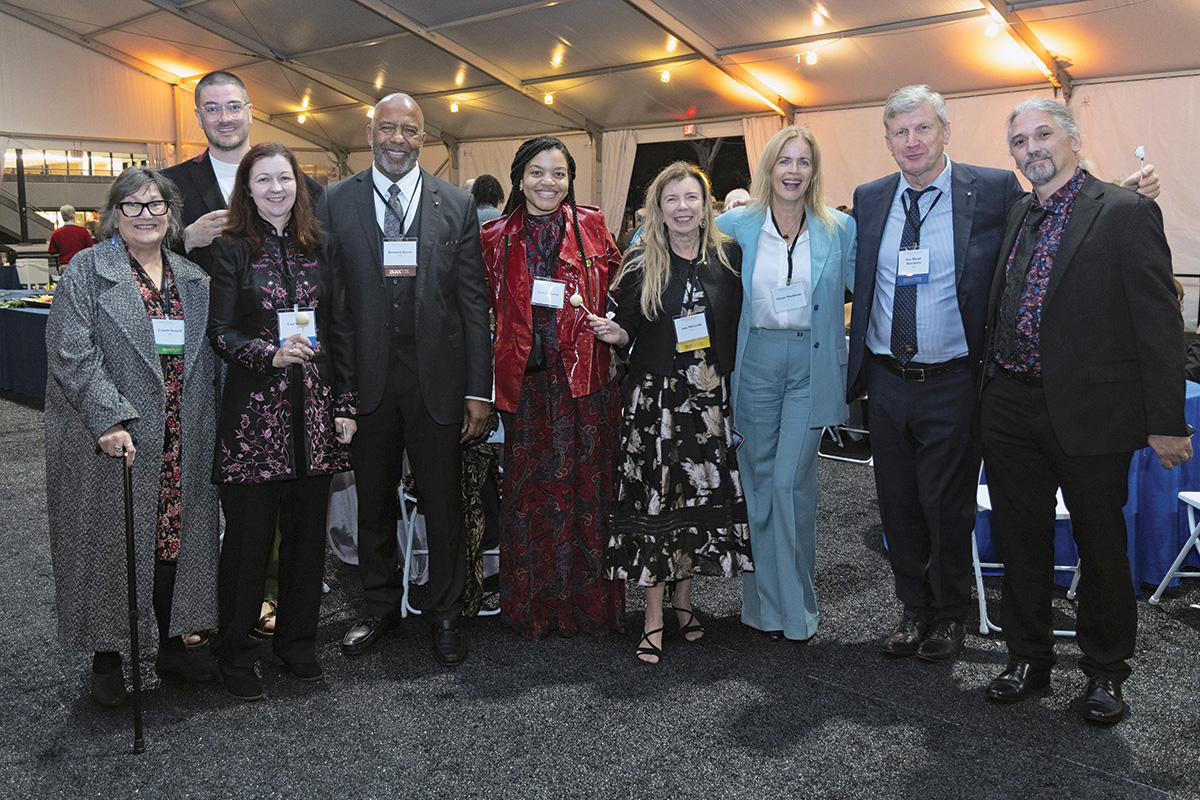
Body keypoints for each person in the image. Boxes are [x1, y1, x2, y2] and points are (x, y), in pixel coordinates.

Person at [846, 85, 1161, 663]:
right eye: (900, 132)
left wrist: (1124, 185)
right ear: (887, 141)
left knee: (949, 507)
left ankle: (951, 616)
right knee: (900, 505)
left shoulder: (991, 188)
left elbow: (1071, 209)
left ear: (946, 131)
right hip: (889, 380)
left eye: (923, 129)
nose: (912, 142)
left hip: (958, 381)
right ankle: (917, 611)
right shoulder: (869, 199)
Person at [980, 98, 1190, 726]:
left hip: (1093, 413)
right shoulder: (1017, 212)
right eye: (1018, 141)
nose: (1030, 148)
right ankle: (1027, 657)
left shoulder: (1125, 212)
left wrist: (1166, 421)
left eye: (1042, 135)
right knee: (1020, 539)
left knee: (1101, 546)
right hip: (1011, 406)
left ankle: (1105, 674)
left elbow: (1158, 324)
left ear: (1072, 138)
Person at [318, 93, 491, 666]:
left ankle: (445, 612)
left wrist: (477, 390)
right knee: (373, 503)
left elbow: (473, 303)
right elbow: (329, 302)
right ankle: (379, 607)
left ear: (424, 138)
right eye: (387, 129)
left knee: (441, 503)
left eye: (409, 131)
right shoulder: (334, 202)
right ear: (369, 133)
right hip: (365, 381)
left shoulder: (457, 204)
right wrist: (335, 389)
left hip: (437, 382)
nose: (397, 139)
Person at [45, 167, 220, 706]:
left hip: (181, 436)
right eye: (133, 206)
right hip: (112, 439)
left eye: (156, 205)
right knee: (110, 547)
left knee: (174, 539)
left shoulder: (194, 281)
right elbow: (72, 352)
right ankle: (108, 655)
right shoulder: (85, 273)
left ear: (171, 214)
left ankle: (170, 637)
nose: (146, 215)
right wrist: (109, 418)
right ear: (113, 215)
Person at [206, 143, 356, 700]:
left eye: (285, 179)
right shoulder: (230, 250)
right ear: (247, 189)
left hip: (315, 415)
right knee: (247, 544)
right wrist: (267, 353)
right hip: (253, 420)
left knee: (306, 539)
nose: (276, 189)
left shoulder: (324, 248)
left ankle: (297, 642)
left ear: (300, 186)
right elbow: (219, 331)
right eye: (263, 180)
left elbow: (341, 331)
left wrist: (345, 406)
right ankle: (235, 651)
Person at [589, 162, 751, 663]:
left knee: (692, 507)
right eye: (671, 199)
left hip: (706, 401)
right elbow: (627, 326)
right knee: (655, 507)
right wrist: (615, 333)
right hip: (655, 405)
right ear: (657, 210)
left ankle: (684, 601)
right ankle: (654, 616)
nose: (682, 208)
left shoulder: (728, 257)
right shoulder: (641, 263)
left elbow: (737, 326)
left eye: (691, 198)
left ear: (707, 207)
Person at [480, 135, 625, 638]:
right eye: (538, 172)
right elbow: (480, 313)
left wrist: (619, 327)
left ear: (570, 180)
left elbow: (623, 287)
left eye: (559, 173)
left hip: (586, 385)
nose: (549, 182)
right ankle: (533, 609)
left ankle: (589, 610)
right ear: (520, 177)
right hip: (528, 388)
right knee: (529, 497)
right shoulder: (495, 237)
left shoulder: (591, 225)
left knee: (589, 493)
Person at [717, 126, 856, 642]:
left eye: (803, 162)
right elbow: (659, 239)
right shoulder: (734, 225)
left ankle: (795, 609)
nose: (793, 171)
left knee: (788, 482)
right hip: (754, 363)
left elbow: (870, 291)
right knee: (757, 483)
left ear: (813, 171)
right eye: (784, 161)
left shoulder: (838, 228)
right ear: (768, 168)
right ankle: (762, 609)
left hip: (813, 365)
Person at [162, 71, 323, 276]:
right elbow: (140, 254)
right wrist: (187, 240)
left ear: (249, 112)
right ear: (199, 117)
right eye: (212, 109)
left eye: (234, 107)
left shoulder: (299, 186)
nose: (225, 118)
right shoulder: (169, 184)